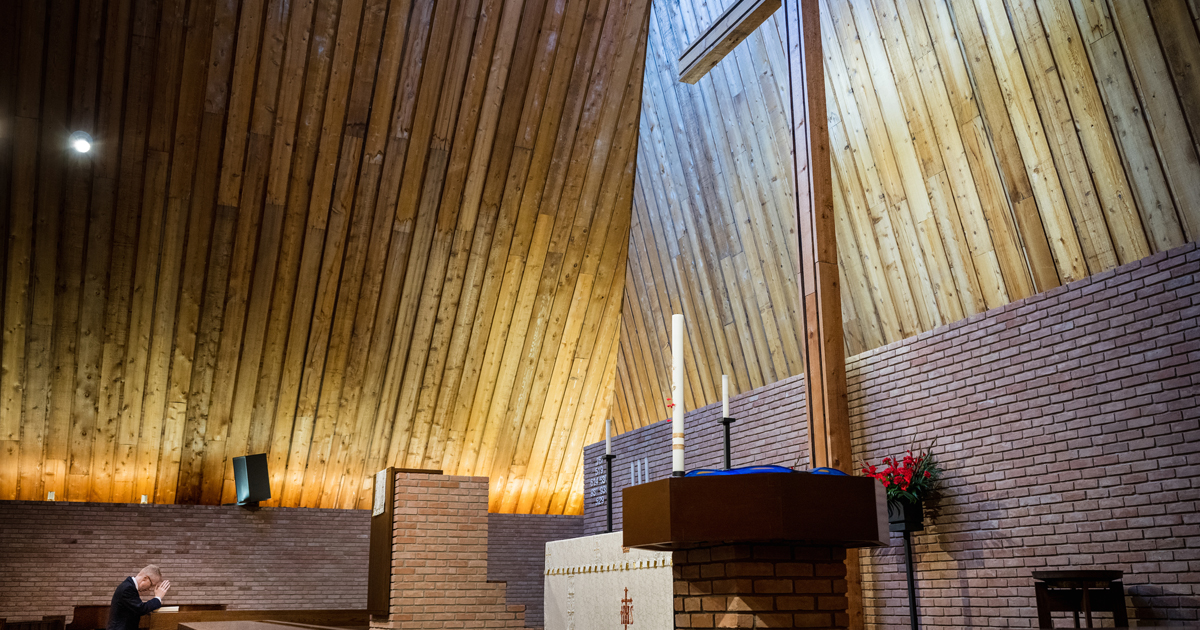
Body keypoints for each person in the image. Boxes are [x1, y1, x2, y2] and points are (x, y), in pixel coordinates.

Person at [107, 565, 171, 630]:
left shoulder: (129, 585)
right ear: (145, 578)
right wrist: (158, 597)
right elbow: (141, 609)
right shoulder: (128, 588)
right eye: (151, 585)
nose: (150, 589)